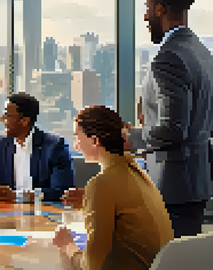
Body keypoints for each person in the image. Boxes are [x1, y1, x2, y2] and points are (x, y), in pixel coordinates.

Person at [124, 0, 213, 238]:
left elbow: (172, 129)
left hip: (173, 186)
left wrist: (131, 137)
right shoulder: (203, 53)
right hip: (197, 182)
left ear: (160, 8)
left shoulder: (169, 57)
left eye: (147, 9)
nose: (145, 18)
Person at [53, 105, 174, 270]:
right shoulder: (137, 172)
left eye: (77, 138)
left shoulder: (101, 184)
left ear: (95, 140)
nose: (76, 145)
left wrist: (68, 245)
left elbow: (91, 266)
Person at [0, 92, 75, 202]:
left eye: (7, 116)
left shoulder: (54, 146)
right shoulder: (1, 143)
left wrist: (18, 197)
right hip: (7, 211)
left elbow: (61, 191)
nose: (2, 119)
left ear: (24, 121)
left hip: (42, 212)